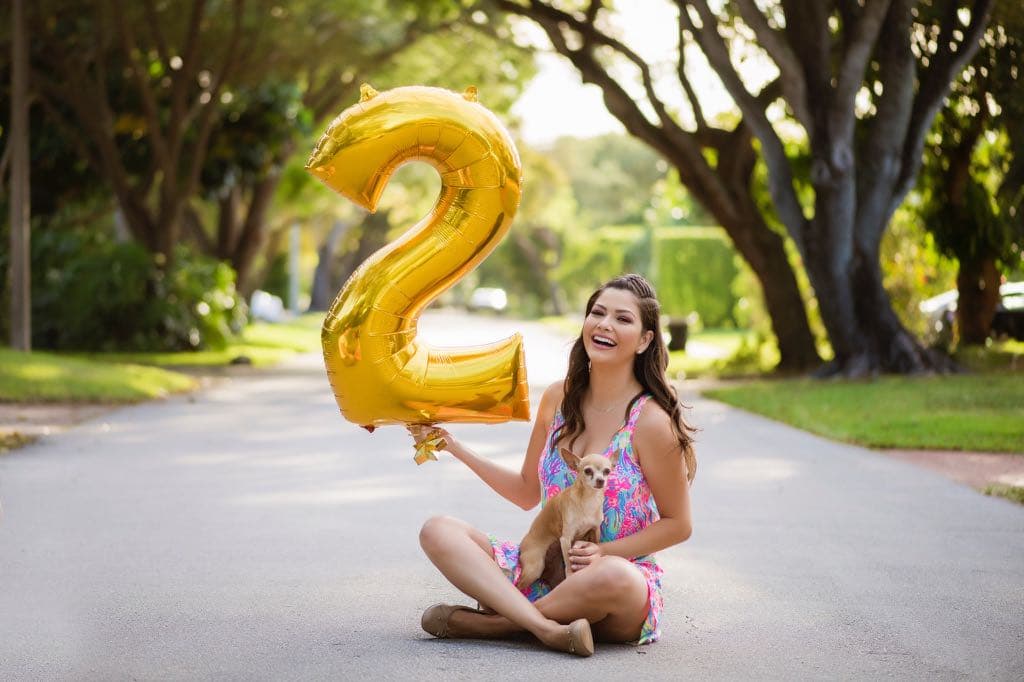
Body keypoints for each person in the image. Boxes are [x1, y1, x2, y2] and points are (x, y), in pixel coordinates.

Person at [410, 273, 696, 657]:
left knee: (612, 576)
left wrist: (606, 553)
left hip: (615, 584)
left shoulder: (652, 422)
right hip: (546, 572)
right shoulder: (556, 399)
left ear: (645, 340)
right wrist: (455, 447)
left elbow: (679, 524)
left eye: (623, 319)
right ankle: (545, 627)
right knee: (438, 530)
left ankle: (499, 625)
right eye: (598, 312)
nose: (605, 324)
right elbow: (527, 491)